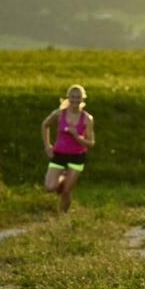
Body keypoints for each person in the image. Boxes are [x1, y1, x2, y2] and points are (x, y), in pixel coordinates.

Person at [41, 84, 94, 214]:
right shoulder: (59, 114)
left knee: (66, 191)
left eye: (78, 97)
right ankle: (64, 177)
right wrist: (47, 146)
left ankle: (62, 217)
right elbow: (45, 125)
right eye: (72, 97)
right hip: (59, 155)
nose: (75, 100)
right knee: (50, 187)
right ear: (68, 97)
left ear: (83, 100)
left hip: (77, 157)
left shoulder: (87, 119)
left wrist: (76, 135)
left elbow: (90, 143)